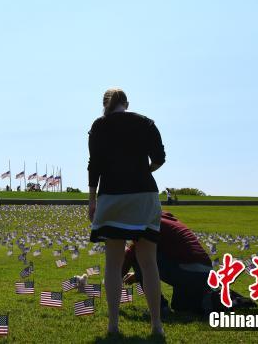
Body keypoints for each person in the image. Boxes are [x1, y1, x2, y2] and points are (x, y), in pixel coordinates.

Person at [88, 88, 166, 337]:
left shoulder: (99, 126)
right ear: (126, 103)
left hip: (112, 196)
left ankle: (113, 324)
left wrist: (91, 200)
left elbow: (95, 166)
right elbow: (160, 158)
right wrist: (143, 171)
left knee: (113, 263)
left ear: (106, 105)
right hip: (144, 195)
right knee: (148, 262)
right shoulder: (146, 123)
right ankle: (157, 325)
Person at [121, 212, 257, 316]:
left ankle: (160, 308)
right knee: (180, 306)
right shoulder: (163, 218)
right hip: (202, 271)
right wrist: (139, 273)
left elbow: (132, 254)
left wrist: (116, 278)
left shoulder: (150, 224)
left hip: (189, 271)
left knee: (139, 254)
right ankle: (228, 299)